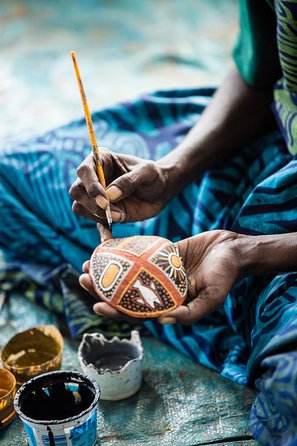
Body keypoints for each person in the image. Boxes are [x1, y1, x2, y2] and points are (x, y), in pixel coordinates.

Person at [0, 1, 297, 444]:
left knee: (288, 397)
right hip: (269, 148)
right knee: (14, 179)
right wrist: (172, 173)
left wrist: (252, 251)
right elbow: (258, 77)